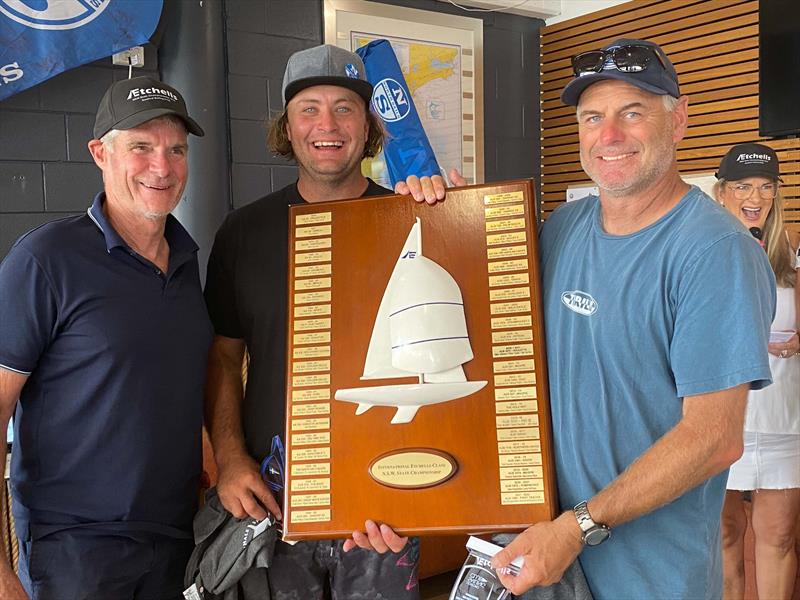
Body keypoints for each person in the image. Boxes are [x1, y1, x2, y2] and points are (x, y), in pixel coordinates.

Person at [491, 39, 776, 599]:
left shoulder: (714, 252)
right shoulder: (561, 229)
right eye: (593, 117)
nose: (610, 136)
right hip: (539, 561)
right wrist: (441, 215)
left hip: (649, 578)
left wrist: (577, 528)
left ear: (679, 122)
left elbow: (713, 438)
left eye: (632, 113)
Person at [203, 44, 457, 600]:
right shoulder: (242, 233)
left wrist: (459, 219)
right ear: (287, 128)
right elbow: (223, 356)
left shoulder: (415, 222)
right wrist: (228, 459)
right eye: (309, 108)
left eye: (345, 108)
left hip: (388, 497)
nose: (328, 124)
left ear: (368, 127)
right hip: (274, 500)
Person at [0, 76, 211, 599]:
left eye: (175, 150)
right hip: (75, 549)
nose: (161, 167)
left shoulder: (186, 263)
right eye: (141, 147)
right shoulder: (45, 259)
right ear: (100, 152)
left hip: (177, 540)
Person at [713, 143, 800, 600]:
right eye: (744, 185)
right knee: (723, 536)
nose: (756, 196)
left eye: (767, 186)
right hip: (719, 417)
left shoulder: (792, 248)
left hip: (782, 416)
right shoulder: (703, 247)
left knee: (780, 535)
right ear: (722, 191)